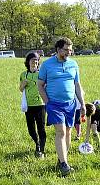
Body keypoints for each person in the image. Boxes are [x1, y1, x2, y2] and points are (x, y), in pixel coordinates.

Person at [37, 38, 86, 176]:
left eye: (71, 50)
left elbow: (77, 85)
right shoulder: (47, 65)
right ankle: (64, 164)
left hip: (70, 104)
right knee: (61, 132)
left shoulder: (73, 64)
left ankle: (61, 159)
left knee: (69, 132)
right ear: (58, 50)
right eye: (66, 50)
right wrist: (47, 102)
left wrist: (82, 103)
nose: (69, 52)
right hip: (54, 104)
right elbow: (39, 85)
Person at [20, 51, 47, 158]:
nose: (34, 62)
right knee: (31, 129)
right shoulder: (23, 74)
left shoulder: (41, 74)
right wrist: (23, 84)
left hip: (40, 104)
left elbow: (46, 86)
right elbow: (21, 89)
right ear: (28, 62)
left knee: (41, 128)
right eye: (32, 60)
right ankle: (37, 142)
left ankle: (41, 149)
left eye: (36, 60)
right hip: (29, 106)